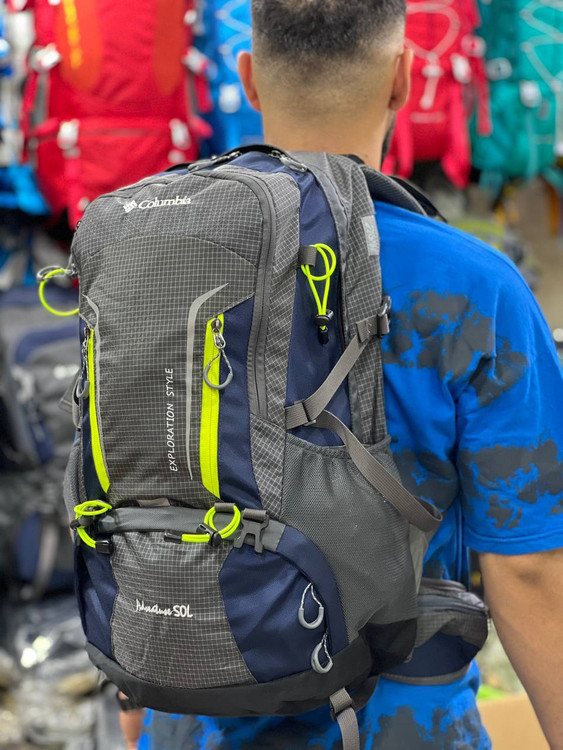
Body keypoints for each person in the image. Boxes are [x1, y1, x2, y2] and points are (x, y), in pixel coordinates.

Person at [140, 0, 563, 747]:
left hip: (193, 714)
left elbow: (126, 486)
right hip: (399, 725)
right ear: (403, 78)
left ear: (248, 77)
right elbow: (528, 568)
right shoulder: (475, 286)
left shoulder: (156, 261)